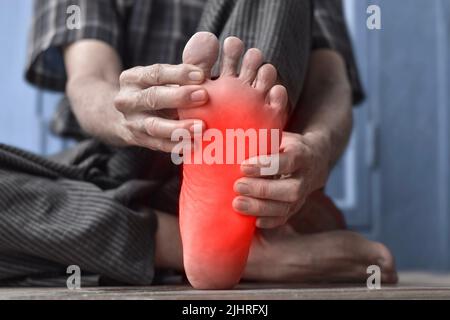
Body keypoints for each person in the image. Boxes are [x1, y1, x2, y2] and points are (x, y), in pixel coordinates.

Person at [0, 0, 397, 286]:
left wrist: (317, 149)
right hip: (116, 170)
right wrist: (125, 114)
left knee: (258, 49)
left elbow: (330, 81)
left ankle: (223, 175)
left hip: (260, 178)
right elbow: (90, 79)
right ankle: (249, 250)